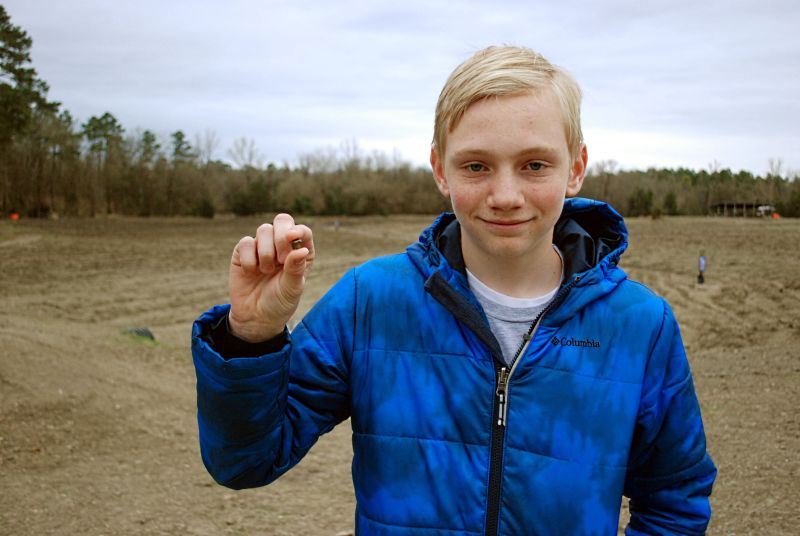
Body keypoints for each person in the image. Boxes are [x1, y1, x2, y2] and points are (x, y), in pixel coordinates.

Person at [192, 45, 716, 535]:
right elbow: (244, 462)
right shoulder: (370, 302)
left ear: (575, 168)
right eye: (476, 166)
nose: (505, 195)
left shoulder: (639, 325)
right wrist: (252, 337)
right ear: (440, 169)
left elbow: (675, 499)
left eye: (534, 164)